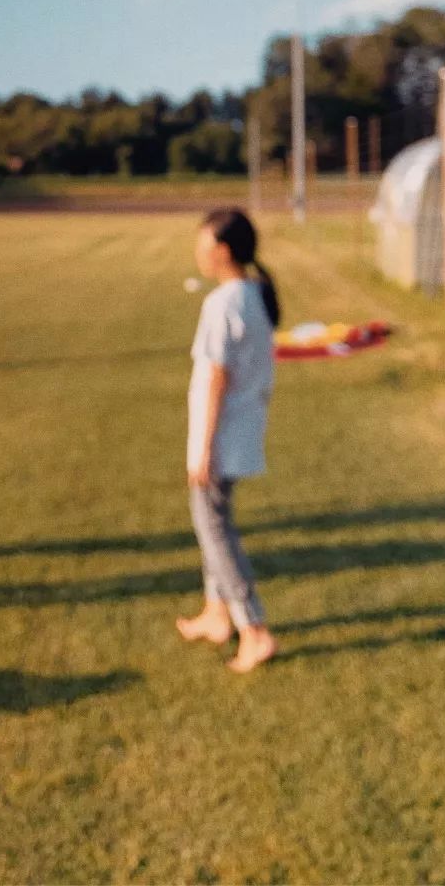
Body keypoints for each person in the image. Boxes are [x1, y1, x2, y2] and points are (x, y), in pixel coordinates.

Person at [177, 208, 279, 673]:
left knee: (215, 531)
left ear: (222, 252)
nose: (198, 254)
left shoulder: (222, 304)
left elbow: (216, 379)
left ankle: (253, 629)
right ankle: (217, 614)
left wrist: (201, 447)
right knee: (211, 524)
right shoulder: (253, 295)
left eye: (203, 245)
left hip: (219, 438)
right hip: (240, 430)